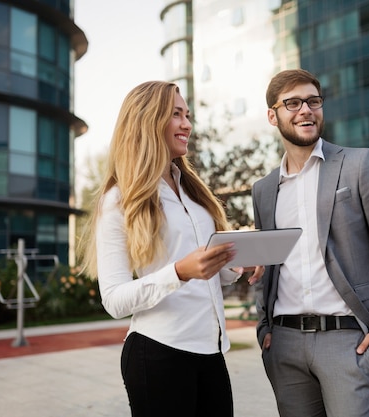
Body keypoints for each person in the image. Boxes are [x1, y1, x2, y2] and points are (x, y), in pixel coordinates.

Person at [80, 81, 260, 417]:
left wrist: (239, 262)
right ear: (148, 120)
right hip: (158, 353)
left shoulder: (194, 194)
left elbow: (210, 277)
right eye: (176, 114)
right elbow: (115, 300)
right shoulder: (119, 200)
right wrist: (179, 272)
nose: (187, 124)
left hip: (211, 351)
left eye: (187, 115)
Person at [252, 69, 369, 417]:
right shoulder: (263, 190)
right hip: (284, 343)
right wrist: (264, 327)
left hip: (348, 342)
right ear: (272, 115)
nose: (305, 110)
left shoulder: (358, 165)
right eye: (292, 103)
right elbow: (268, 267)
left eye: (313, 101)